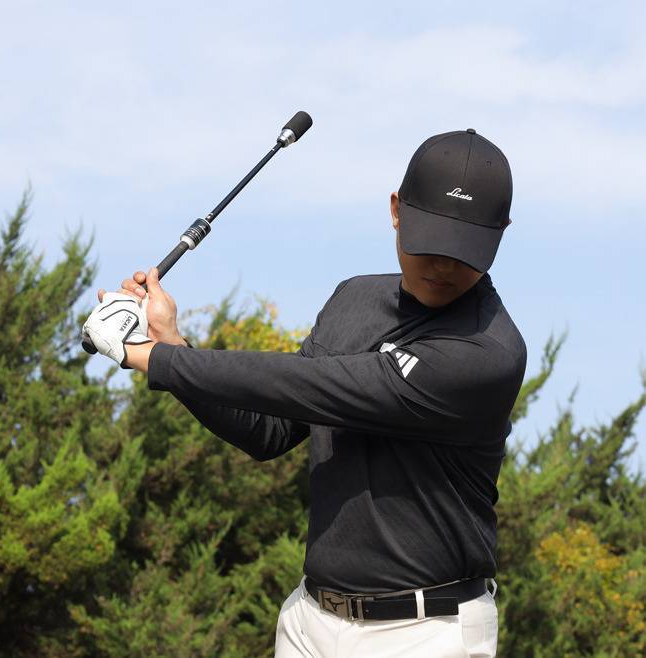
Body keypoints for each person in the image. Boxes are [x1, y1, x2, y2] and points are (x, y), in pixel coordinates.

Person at [83, 128, 527, 657]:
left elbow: (308, 384)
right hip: (309, 621)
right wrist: (172, 343)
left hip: (426, 632)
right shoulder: (353, 299)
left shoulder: (486, 353)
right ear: (396, 210)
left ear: (500, 234)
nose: (444, 264)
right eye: (430, 241)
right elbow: (269, 429)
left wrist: (148, 356)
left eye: (464, 249)